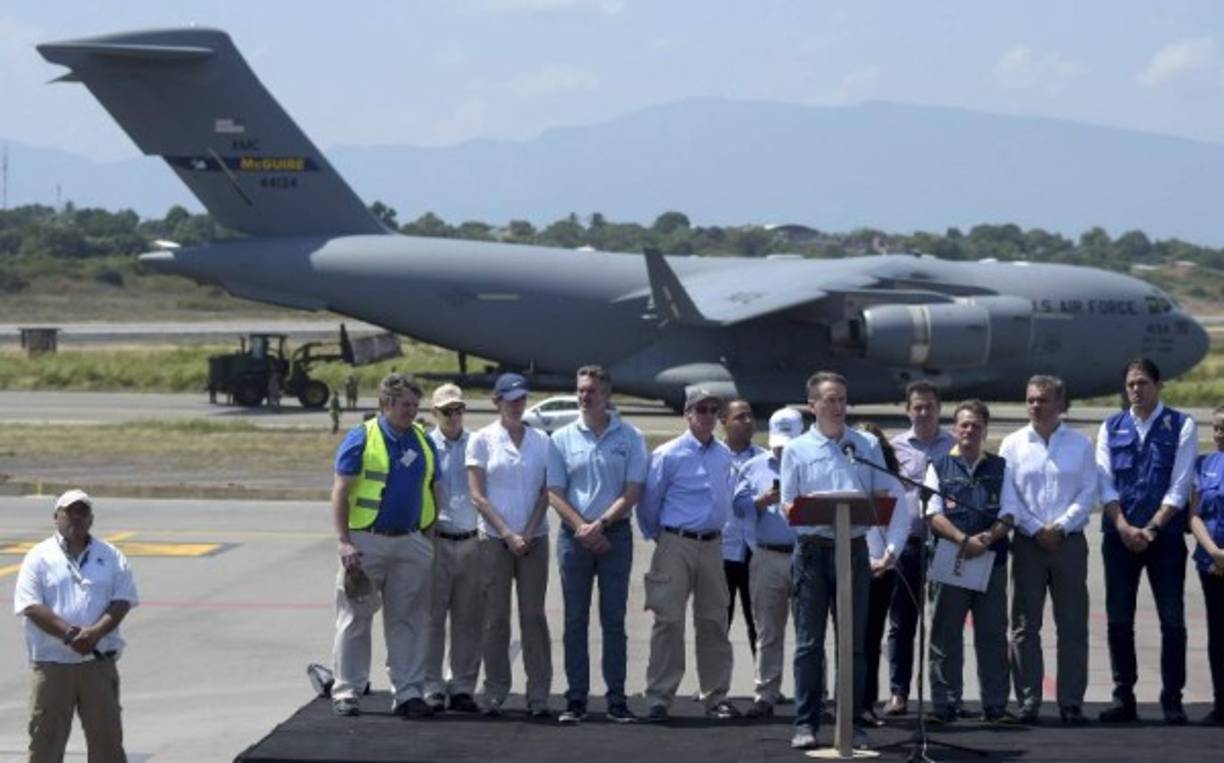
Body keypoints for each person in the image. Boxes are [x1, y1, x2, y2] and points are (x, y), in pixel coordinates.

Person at [781, 371, 905, 751]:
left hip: (852, 550)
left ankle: (851, 723)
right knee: (808, 643)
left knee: (853, 644)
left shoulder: (864, 444)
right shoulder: (796, 449)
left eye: (842, 400)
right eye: (829, 400)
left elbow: (879, 497)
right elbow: (788, 506)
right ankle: (806, 722)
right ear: (813, 405)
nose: (837, 407)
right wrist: (807, 509)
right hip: (813, 551)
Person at [330, 372, 441, 718]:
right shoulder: (361, 437)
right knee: (355, 618)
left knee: (407, 619)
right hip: (367, 542)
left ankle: (407, 693)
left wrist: (428, 535)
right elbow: (341, 491)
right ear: (386, 403)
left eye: (414, 405)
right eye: (405, 405)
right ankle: (348, 690)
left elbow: (435, 488)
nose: (411, 411)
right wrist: (344, 541)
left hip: (410, 541)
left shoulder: (422, 440)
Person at [1096, 358, 1196, 724]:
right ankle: (1124, 696)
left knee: (1172, 620)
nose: (1136, 390)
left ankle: (1172, 698)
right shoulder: (1111, 427)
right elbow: (1104, 480)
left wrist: (1152, 527)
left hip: (1165, 538)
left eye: (1142, 383)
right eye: (1130, 385)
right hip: (1118, 536)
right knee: (1119, 620)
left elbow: (1181, 483)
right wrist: (1122, 525)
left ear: (1158, 385)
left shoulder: (1180, 425)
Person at [547, 365, 648, 725]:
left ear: (607, 394)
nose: (584, 396)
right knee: (575, 620)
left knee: (613, 621)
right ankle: (576, 699)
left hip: (615, 537)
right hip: (574, 538)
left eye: (591, 390)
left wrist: (602, 525)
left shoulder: (630, 437)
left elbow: (633, 491)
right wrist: (583, 527)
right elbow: (554, 492)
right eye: (580, 390)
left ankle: (616, 700)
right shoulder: (561, 439)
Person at [637, 388, 739, 723]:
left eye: (713, 409)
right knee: (668, 621)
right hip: (675, 542)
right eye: (701, 409)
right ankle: (659, 698)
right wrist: (663, 539)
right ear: (687, 414)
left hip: (712, 544)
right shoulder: (668, 454)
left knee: (713, 622)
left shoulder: (724, 454)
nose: (708, 415)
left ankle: (715, 696)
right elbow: (649, 505)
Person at [14, 489, 138, 763]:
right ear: (56, 517)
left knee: (107, 742)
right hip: (52, 665)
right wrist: (70, 635)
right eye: (70, 512)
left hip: (97, 663)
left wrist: (95, 634)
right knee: (45, 742)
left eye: (83, 512)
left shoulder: (111, 555)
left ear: (91, 519)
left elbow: (123, 600)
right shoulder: (38, 557)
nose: (76, 518)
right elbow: (30, 605)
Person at [1001, 375, 1096, 725]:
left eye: (1043, 400)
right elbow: (1008, 496)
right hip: (1028, 543)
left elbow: (1089, 493)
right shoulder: (1012, 444)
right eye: (1030, 400)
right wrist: (1035, 528)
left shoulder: (1080, 444)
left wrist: (1060, 526)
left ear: (1060, 404)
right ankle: (1028, 700)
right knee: (1025, 627)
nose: (1035, 406)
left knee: (1072, 625)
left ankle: (1071, 702)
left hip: (1069, 544)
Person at [924, 399, 1020, 724]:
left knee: (992, 637)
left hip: (990, 560)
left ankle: (994, 705)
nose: (969, 431)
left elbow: (1009, 513)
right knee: (945, 635)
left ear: (985, 430)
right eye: (964, 425)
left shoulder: (1000, 467)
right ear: (954, 429)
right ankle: (945, 703)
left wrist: (986, 540)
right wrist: (963, 540)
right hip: (951, 559)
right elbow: (933, 513)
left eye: (976, 426)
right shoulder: (937, 466)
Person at [467, 372, 553, 718]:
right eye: (510, 400)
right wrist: (507, 533)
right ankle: (496, 689)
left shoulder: (542, 440)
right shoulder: (482, 440)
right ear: (496, 401)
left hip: (535, 538)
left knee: (533, 616)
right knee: (495, 618)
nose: (517, 405)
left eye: (521, 399)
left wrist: (528, 532)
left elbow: (548, 492)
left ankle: (538, 694)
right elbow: (477, 495)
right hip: (494, 540)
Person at [884, 380, 955, 717]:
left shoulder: (954, 447)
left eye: (929, 406)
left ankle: (945, 694)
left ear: (939, 408)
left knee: (944, 621)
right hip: (908, 543)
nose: (923, 413)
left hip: (946, 543)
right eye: (917, 407)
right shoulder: (894, 448)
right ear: (907, 410)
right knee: (901, 622)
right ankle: (898, 692)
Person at [732, 407, 804, 719]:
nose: (781, 449)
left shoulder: (813, 465)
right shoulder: (753, 466)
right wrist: (760, 502)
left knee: (808, 631)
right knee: (767, 630)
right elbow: (737, 505)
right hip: (766, 554)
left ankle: (812, 693)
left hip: (806, 554)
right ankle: (766, 693)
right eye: (777, 443)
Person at [423, 383, 482, 714]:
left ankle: (462, 685)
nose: (454, 416)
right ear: (435, 413)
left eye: (459, 409)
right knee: (433, 618)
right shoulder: (426, 445)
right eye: (447, 411)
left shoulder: (477, 443)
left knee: (468, 618)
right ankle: (432, 684)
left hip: (472, 539)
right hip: (438, 539)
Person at [856, 421, 909, 726]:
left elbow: (899, 526)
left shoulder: (891, 484)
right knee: (846, 639)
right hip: (846, 567)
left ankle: (865, 703)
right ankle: (840, 699)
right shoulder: (844, 478)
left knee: (870, 637)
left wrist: (886, 559)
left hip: (879, 570)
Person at [720, 399, 765, 662]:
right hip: (722, 549)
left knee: (757, 621)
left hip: (753, 550)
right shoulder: (714, 457)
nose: (748, 422)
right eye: (740, 417)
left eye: (750, 416)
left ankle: (765, 685)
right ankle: (712, 686)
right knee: (718, 621)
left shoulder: (764, 459)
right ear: (724, 422)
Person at [1190, 405, 1224, 726]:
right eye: (1215, 428)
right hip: (1210, 562)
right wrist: (1215, 552)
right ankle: (1220, 702)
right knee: (1218, 635)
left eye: (1223, 428)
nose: (1219, 434)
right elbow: (1196, 514)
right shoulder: (1205, 464)